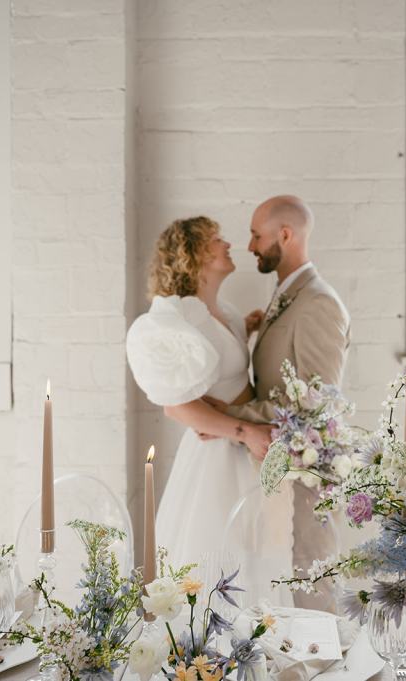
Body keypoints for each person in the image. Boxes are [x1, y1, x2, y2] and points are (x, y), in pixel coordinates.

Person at [125, 216, 293, 603]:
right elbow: (176, 407)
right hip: (219, 453)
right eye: (216, 239)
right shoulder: (174, 318)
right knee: (220, 557)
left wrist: (248, 328)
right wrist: (244, 430)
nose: (227, 244)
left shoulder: (220, 309)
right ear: (194, 253)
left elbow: (219, 361)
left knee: (255, 555)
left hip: (247, 450)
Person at [213, 195, 351, 612]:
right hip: (279, 470)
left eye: (257, 235)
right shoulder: (287, 295)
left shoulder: (318, 303)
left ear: (285, 235)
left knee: (312, 583)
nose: (250, 246)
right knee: (283, 585)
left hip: (308, 479)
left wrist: (224, 415)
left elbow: (311, 405)